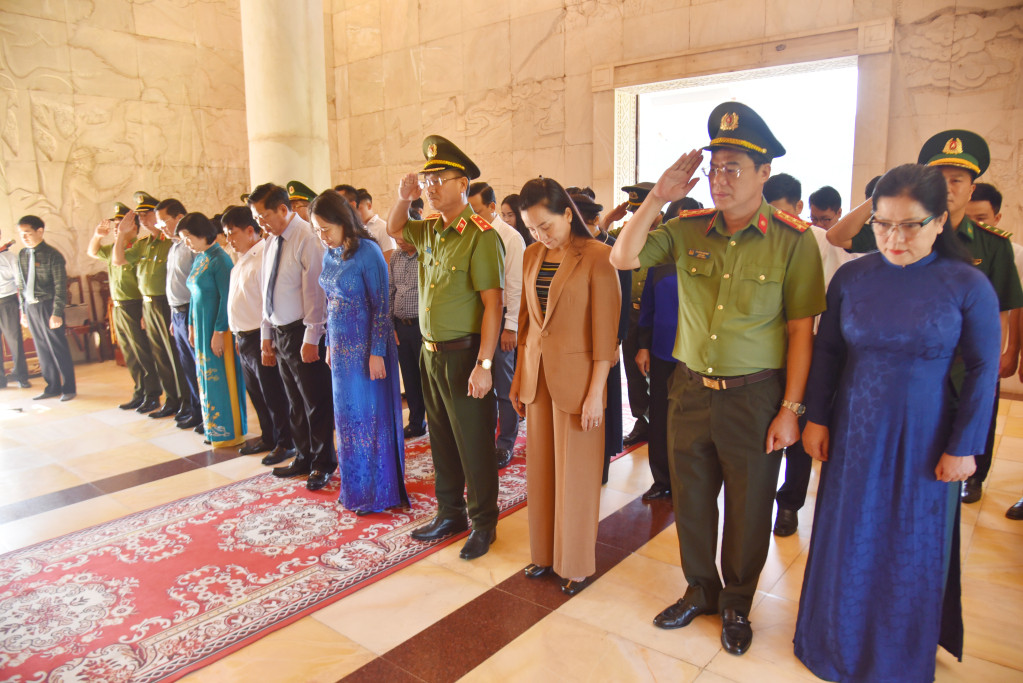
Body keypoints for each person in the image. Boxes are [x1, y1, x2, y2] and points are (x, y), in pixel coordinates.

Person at [609, 102, 825, 656]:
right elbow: (622, 256)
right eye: (715, 166)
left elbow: (802, 332)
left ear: (763, 174)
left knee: (751, 506)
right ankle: (700, 590)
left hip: (755, 396)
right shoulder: (685, 229)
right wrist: (658, 197)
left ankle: (736, 603)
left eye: (734, 167)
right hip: (688, 390)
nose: (720, 178)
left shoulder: (793, 240)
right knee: (695, 500)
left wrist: (792, 410)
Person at [795, 164, 1000, 682]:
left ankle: (894, 653)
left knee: (909, 537)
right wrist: (815, 418)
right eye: (883, 224)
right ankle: (832, 640)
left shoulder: (967, 283)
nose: (893, 237)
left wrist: (966, 445)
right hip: (855, 427)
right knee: (849, 529)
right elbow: (828, 351)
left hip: (926, 433)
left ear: (939, 221)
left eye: (909, 224)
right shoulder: (853, 276)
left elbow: (983, 368)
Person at [826, 130, 1023, 505]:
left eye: (956, 181)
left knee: (940, 478)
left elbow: (998, 313)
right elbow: (839, 236)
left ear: (971, 188)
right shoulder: (897, 231)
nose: (946, 188)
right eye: (937, 179)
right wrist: (887, 192)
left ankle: (973, 477)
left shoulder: (992, 246)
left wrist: (1003, 355)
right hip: (899, 377)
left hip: (962, 370)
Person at [386, 135, 505, 560]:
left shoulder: (481, 236)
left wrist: (485, 364)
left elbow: (494, 305)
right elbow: (394, 228)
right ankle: (450, 512)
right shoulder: (430, 230)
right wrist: (404, 197)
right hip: (430, 353)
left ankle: (484, 523)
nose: (432, 185)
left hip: (465, 355)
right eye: (427, 177)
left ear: (464, 184)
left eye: (441, 178)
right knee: (441, 440)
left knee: (474, 443)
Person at [509, 177, 621, 595]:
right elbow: (525, 324)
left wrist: (597, 393)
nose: (540, 235)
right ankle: (543, 554)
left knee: (576, 477)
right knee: (541, 473)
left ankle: (574, 563)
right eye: (532, 228)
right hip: (538, 379)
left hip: (578, 384)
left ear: (567, 215)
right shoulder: (532, 255)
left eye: (546, 226)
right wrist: (520, 378)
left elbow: (606, 337)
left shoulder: (598, 257)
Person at [762, 172, 851, 536]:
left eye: (784, 212)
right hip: (766, 354)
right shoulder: (759, 237)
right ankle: (760, 499)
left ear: (799, 208)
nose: (777, 220)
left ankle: (789, 505)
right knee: (763, 430)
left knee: (796, 430)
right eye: (771, 213)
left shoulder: (820, 240)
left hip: (809, 351)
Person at [311, 191, 409, 514]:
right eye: (317, 231)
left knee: (370, 418)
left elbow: (382, 306)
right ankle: (354, 488)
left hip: (369, 348)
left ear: (343, 221)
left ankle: (377, 492)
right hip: (340, 349)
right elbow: (329, 304)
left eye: (326, 229)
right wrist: (327, 344)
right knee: (348, 419)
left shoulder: (368, 252)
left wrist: (377, 351)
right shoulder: (330, 253)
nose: (322, 236)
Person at [250, 182, 336, 491]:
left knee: (315, 401)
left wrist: (312, 337)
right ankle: (303, 456)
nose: (259, 223)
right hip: (281, 331)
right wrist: (266, 333)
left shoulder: (307, 238)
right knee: (295, 402)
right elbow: (267, 290)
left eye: (263, 215)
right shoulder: (272, 241)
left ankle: (324, 462)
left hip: (304, 331)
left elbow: (315, 292)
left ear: (283, 210)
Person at [222, 206, 296, 463]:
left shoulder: (264, 256)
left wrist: (268, 340)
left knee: (274, 393)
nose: (229, 240)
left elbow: (268, 301)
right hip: (244, 336)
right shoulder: (241, 260)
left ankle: (286, 442)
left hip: (260, 336)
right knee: (257, 392)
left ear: (250, 230)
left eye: (232, 233)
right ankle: (268, 436)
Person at [571, 191, 630, 485]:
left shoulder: (612, 247)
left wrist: (617, 340)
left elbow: (625, 296)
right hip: (578, 342)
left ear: (592, 219)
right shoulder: (572, 249)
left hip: (608, 341)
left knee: (604, 401)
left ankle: (603, 463)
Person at [176, 213, 247, 447]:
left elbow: (227, 299)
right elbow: (194, 295)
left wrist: (219, 332)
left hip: (218, 329)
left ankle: (228, 431)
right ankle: (212, 427)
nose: (186, 243)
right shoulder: (200, 258)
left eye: (188, 237)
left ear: (201, 232)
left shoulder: (220, 260)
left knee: (221, 378)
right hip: (201, 326)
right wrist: (191, 326)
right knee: (205, 378)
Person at [468, 181, 525, 470]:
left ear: (492, 207)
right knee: (480, 383)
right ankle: (484, 437)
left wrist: (511, 327)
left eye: (477, 210)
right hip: (476, 320)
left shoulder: (510, 238)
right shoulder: (473, 234)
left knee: (503, 384)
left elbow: (515, 287)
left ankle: (506, 443)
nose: (472, 216)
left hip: (502, 320)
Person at [114, 192, 183, 418]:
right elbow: (119, 260)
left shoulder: (171, 243)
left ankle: (185, 400)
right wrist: (121, 235)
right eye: (140, 216)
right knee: (160, 356)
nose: (143, 220)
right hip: (148, 304)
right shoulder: (145, 244)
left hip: (167, 302)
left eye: (147, 214)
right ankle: (171, 400)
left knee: (174, 355)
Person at [87, 202, 160, 410]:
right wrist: (98, 235)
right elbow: (93, 251)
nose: (118, 229)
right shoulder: (113, 248)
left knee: (142, 352)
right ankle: (140, 391)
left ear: (134, 228)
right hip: (118, 306)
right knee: (129, 352)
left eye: (122, 224)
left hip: (135, 304)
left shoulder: (138, 247)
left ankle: (152, 393)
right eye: (116, 225)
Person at [619, 182, 662, 448]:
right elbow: (599, 234)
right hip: (632, 316)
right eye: (633, 213)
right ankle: (642, 420)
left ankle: (658, 421)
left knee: (658, 376)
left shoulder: (669, 236)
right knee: (634, 373)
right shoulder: (626, 233)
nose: (635, 218)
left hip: (659, 319)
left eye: (641, 212)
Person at [15, 215, 77, 400]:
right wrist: (23, 311)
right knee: (41, 348)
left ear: (40, 231)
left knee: (58, 348)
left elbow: (60, 286)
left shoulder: (53, 255)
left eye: (27, 233)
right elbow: (21, 285)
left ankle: (69, 388)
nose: (24, 238)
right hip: (31, 306)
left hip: (48, 306)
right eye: (21, 234)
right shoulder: (23, 254)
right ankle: (52, 387)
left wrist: (57, 313)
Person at [157, 198, 202, 428]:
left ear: (179, 217)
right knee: (186, 366)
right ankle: (195, 410)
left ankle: (206, 414)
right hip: (177, 313)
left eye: (164, 220)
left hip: (190, 312)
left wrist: (191, 319)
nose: (162, 226)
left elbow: (197, 285)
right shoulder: (175, 246)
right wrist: (174, 319)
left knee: (198, 367)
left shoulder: (191, 246)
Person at [634, 262, 678, 501]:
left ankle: (687, 483)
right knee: (660, 416)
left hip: (698, 358)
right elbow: (647, 308)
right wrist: (643, 346)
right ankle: (662, 480)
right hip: (663, 352)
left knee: (689, 423)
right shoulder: (660, 265)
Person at [390, 227, 427, 439]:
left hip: (423, 327)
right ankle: (416, 423)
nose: (399, 241)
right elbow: (390, 289)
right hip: (401, 326)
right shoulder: (396, 257)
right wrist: (391, 326)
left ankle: (437, 423)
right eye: (395, 237)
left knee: (427, 379)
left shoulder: (427, 254)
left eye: (402, 236)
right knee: (410, 377)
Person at [1, 236, 31, 390]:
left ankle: (21, 376)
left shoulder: (9, 257)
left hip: (7, 301)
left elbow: (20, 282)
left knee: (15, 341)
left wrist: (22, 308)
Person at [356, 188, 397, 263]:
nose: (356, 213)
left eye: (358, 208)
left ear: (369, 205)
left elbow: (389, 259)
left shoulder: (383, 228)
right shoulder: (355, 228)